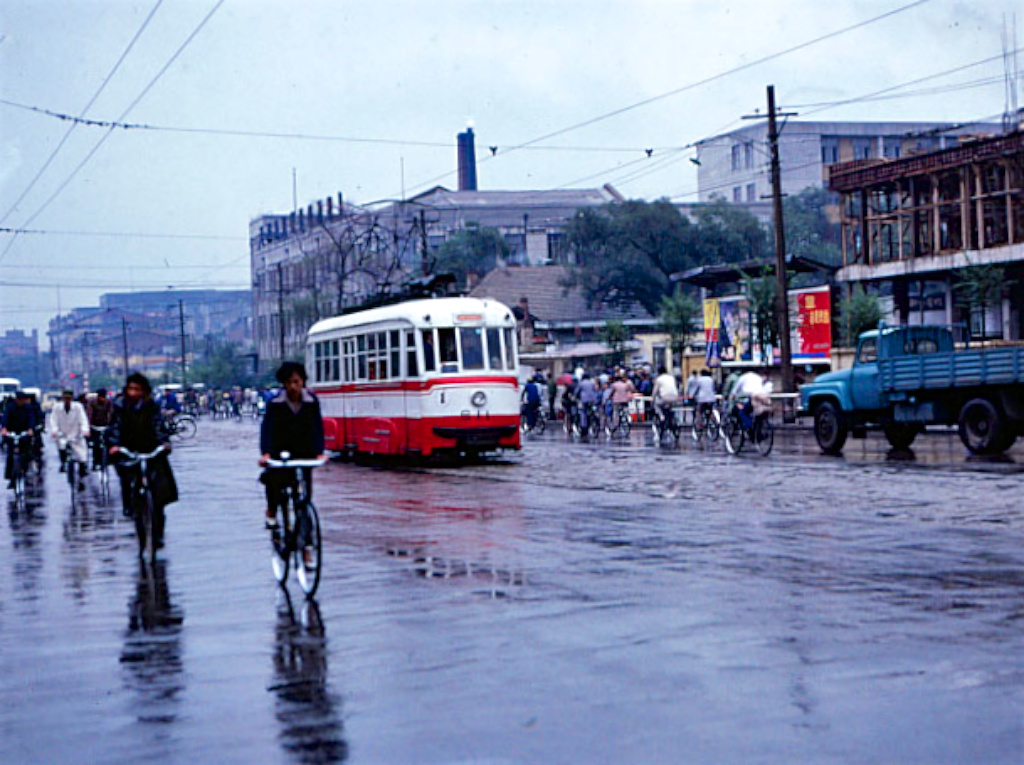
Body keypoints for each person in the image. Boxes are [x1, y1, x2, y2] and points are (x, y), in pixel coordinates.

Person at [259, 362, 326, 566]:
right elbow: (267, 430)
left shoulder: (312, 402)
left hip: (303, 454)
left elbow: (317, 429)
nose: (293, 387)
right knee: (275, 483)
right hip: (280, 453)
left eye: (296, 382)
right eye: (289, 382)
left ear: (303, 382)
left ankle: (306, 548)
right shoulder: (275, 403)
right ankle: (272, 511)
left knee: (304, 504)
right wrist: (266, 453)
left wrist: (319, 453)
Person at [109, 373, 178, 548]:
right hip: (129, 451)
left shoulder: (152, 406)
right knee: (130, 484)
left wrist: (163, 443)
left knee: (158, 495)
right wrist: (115, 446)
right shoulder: (119, 406)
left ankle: (158, 533)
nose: (133, 393)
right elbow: (115, 427)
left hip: (151, 450)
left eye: (137, 389)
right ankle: (133, 512)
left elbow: (158, 426)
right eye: (131, 389)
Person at [48, 388, 90, 484]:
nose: (67, 400)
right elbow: (53, 420)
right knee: (61, 446)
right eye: (65, 398)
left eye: (69, 398)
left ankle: (82, 469)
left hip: (76, 433)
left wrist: (85, 430)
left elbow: (83, 419)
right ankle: (63, 463)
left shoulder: (78, 407)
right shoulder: (57, 407)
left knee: (81, 454)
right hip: (63, 433)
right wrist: (54, 430)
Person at [1, 390, 39, 488]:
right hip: (12, 433)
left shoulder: (28, 408)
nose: (21, 401)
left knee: (26, 454)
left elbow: (31, 419)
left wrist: (30, 429)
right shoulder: (10, 407)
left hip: (24, 433)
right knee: (10, 455)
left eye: (22, 400)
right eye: (19, 399)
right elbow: (5, 418)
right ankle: (10, 477)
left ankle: (25, 472)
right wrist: (4, 429)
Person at [86, 388, 114, 470]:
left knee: (107, 444)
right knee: (96, 445)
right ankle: (95, 463)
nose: (103, 399)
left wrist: (110, 424)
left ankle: (105, 462)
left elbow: (111, 413)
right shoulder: (92, 403)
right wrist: (89, 425)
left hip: (105, 426)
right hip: (95, 426)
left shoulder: (108, 403)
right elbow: (89, 414)